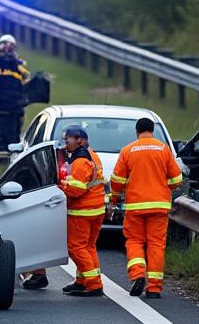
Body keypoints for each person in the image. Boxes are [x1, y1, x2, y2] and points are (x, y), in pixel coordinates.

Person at [112, 117, 183, 299]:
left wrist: (115, 198)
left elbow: (117, 181)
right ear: (152, 130)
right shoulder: (163, 149)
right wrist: (164, 186)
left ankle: (137, 275)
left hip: (135, 206)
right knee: (156, 245)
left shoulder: (128, 150)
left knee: (134, 241)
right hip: (159, 206)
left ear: (137, 131)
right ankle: (154, 288)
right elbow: (176, 179)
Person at [59, 125, 107, 297]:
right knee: (88, 247)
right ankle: (82, 281)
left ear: (79, 140)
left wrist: (61, 185)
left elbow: (76, 190)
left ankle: (93, 284)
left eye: (68, 141)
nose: (65, 145)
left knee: (76, 247)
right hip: (96, 208)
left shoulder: (80, 161)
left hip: (82, 210)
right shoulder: (92, 154)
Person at [0, 35, 30, 151]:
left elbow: (25, 80)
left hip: (10, 109)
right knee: (6, 137)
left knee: (9, 137)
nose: (7, 48)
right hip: (4, 108)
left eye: (9, 46)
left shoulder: (17, 64)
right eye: (6, 45)